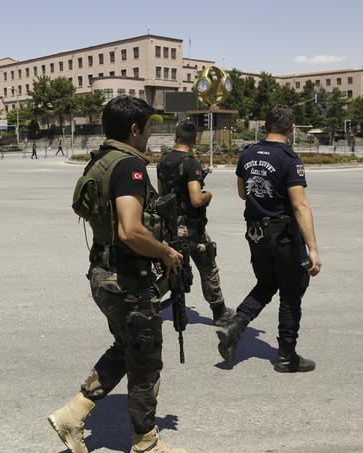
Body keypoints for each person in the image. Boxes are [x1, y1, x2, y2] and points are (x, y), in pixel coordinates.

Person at [48, 96, 186, 453]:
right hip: (129, 279)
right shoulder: (129, 168)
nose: (152, 134)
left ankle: (72, 414)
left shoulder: (101, 163)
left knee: (126, 347)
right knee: (145, 362)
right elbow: (131, 231)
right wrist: (166, 251)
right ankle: (146, 443)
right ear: (134, 129)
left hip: (105, 274)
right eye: (150, 127)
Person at [216, 104, 321, 373]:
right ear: (292, 128)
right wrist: (313, 248)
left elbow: (243, 193)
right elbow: (300, 205)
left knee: (266, 283)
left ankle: (235, 324)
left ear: (265, 126)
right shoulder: (289, 159)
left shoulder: (248, 153)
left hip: (256, 234)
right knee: (291, 292)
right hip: (283, 235)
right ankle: (287, 356)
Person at [156, 121, 235, 327]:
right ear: (195, 140)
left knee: (173, 269)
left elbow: (161, 194)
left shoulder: (163, 161)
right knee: (207, 265)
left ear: (175, 137)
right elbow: (196, 199)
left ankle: (162, 305)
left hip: (170, 225)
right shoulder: (191, 164)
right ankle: (220, 312)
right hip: (191, 227)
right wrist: (208, 195)